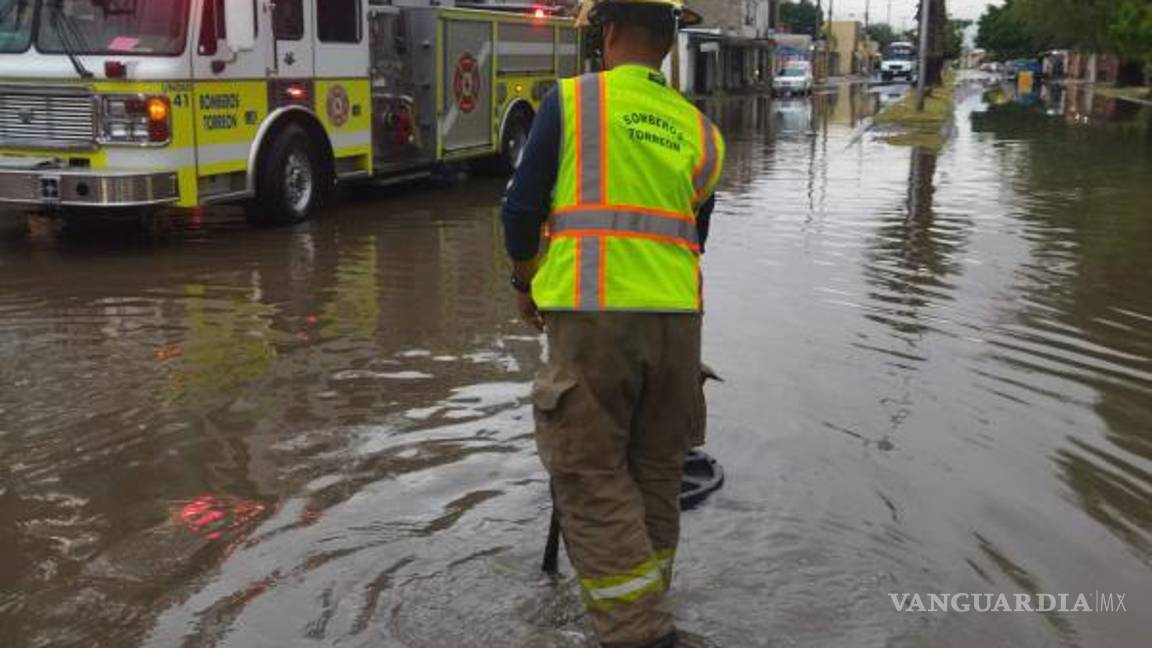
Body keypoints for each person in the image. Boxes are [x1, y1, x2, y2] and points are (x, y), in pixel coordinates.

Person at [501, 0, 724, 645]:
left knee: (589, 474)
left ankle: (638, 632)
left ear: (613, 32)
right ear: (669, 40)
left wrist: (524, 281)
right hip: (679, 324)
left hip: (593, 317)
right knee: (655, 471)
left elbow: (519, 212)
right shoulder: (701, 130)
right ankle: (648, 603)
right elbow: (694, 236)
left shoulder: (571, 103)